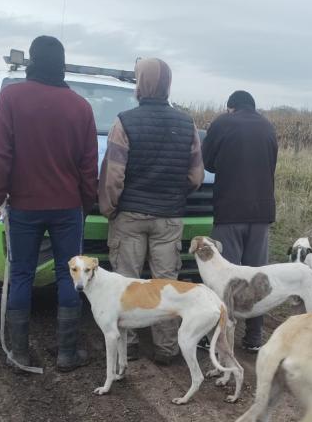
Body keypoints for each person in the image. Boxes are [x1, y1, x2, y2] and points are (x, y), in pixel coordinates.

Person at [0, 35, 99, 372]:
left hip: (23, 205)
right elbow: (88, 163)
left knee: (21, 273)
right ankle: (67, 353)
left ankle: (19, 354)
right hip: (67, 207)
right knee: (70, 277)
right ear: (62, 65)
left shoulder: (12, 98)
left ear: (32, 61)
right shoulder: (80, 106)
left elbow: (2, 152)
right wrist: (86, 202)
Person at [98, 57, 205, 365]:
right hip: (170, 216)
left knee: (126, 282)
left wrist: (110, 209)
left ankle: (127, 346)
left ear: (139, 83)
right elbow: (196, 177)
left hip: (130, 215)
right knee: (166, 284)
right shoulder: (187, 124)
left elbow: (114, 175)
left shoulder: (124, 122)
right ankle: (167, 348)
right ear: (168, 84)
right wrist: (174, 195)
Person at [200, 90, 278, 352]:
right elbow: (271, 164)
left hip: (230, 211)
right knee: (257, 275)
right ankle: (254, 337)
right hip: (262, 214)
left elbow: (207, 162)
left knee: (226, 277)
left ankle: (221, 336)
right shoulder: (268, 127)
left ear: (230, 107)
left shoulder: (222, 123)